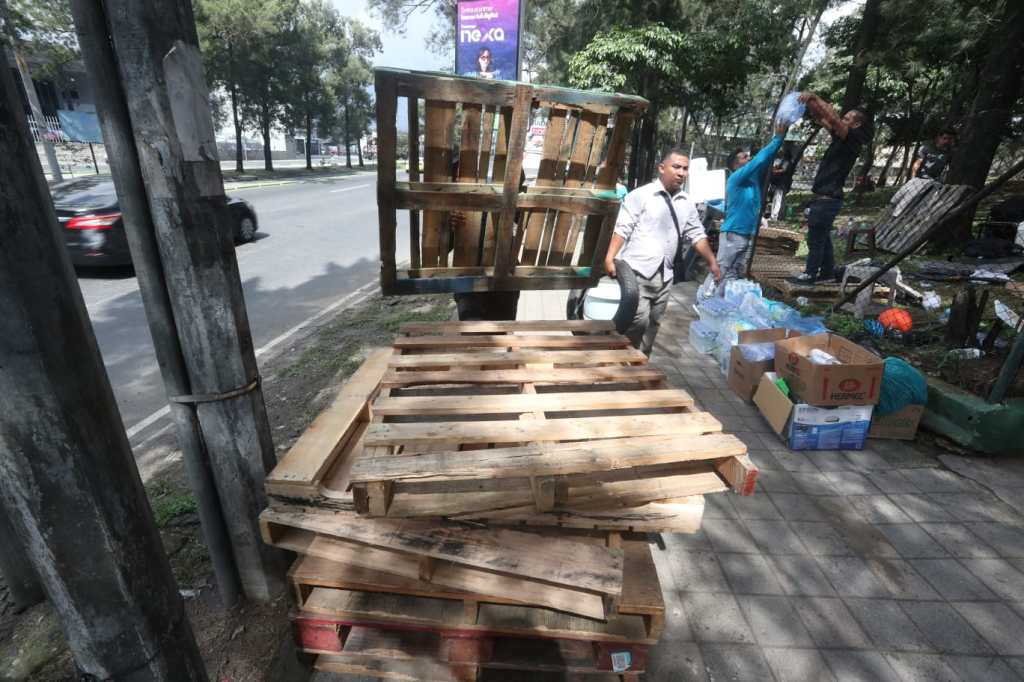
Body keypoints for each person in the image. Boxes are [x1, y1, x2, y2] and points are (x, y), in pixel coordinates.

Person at [604, 149, 722, 355]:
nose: (681, 173)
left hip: (665, 276)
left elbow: (697, 235)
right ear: (661, 168)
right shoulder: (641, 195)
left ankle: (641, 367)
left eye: (685, 169)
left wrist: (712, 261)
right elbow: (622, 228)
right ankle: (621, 364)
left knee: (653, 325)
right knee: (636, 322)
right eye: (676, 167)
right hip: (637, 272)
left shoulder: (687, 203)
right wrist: (609, 257)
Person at [788, 92, 874, 285]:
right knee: (823, 237)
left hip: (829, 198)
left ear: (856, 124)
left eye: (847, 118)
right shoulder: (840, 138)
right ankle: (827, 274)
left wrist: (814, 96)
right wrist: (809, 104)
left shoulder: (853, 139)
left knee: (815, 239)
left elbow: (833, 118)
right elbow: (822, 118)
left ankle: (810, 274)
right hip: (825, 197)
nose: (842, 120)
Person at [717, 123, 789, 290]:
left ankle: (721, 308)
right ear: (735, 165)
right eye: (744, 157)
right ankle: (704, 303)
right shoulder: (737, 178)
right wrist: (778, 138)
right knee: (721, 272)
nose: (749, 159)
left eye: (748, 157)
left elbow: (764, 161)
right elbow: (760, 160)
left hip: (747, 234)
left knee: (736, 274)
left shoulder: (752, 180)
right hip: (734, 234)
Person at [768, 140, 799, 219]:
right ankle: (775, 214)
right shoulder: (784, 160)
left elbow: (784, 170)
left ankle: (776, 215)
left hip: (782, 182)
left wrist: (774, 171)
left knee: (779, 198)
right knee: (777, 197)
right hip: (780, 182)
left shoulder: (787, 161)